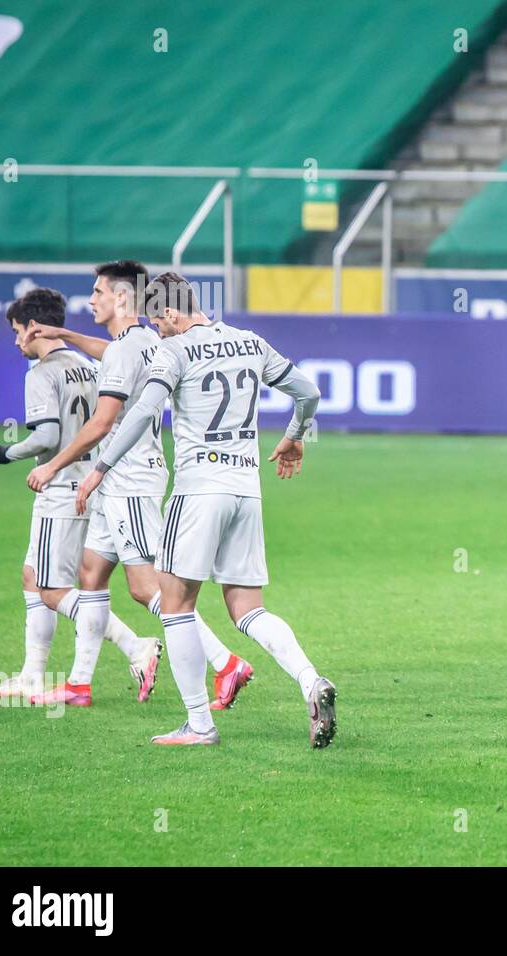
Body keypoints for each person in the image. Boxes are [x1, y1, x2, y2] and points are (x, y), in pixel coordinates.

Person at [77, 272, 333, 747]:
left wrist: (100, 469)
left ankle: (199, 724)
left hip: (197, 491)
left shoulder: (174, 351)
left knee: (175, 604)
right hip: (246, 491)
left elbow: (139, 413)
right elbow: (309, 395)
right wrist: (295, 437)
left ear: (170, 314)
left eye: (158, 323)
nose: (158, 332)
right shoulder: (249, 341)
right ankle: (310, 681)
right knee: (247, 609)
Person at [25, 261, 251, 709]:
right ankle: (79, 684)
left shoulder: (130, 347)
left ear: (121, 298)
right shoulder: (145, 338)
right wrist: (65, 335)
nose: (91, 300)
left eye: (98, 292)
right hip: (124, 479)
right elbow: (109, 352)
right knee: (91, 575)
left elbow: (103, 421)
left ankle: (226, 663)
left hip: (130, 479)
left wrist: (54, 467)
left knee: (148, 587)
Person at [0, 290, 160, 703]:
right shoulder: (88, 366)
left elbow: (46, 436)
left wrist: (5, 454)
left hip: (60, 488)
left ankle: (136, 645)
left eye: (17, 332)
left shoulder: (41, 373)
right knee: (34, 575)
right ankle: (32, 675)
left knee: (50, 588)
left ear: (34, 328)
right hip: (89, 486)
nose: (15, 342)